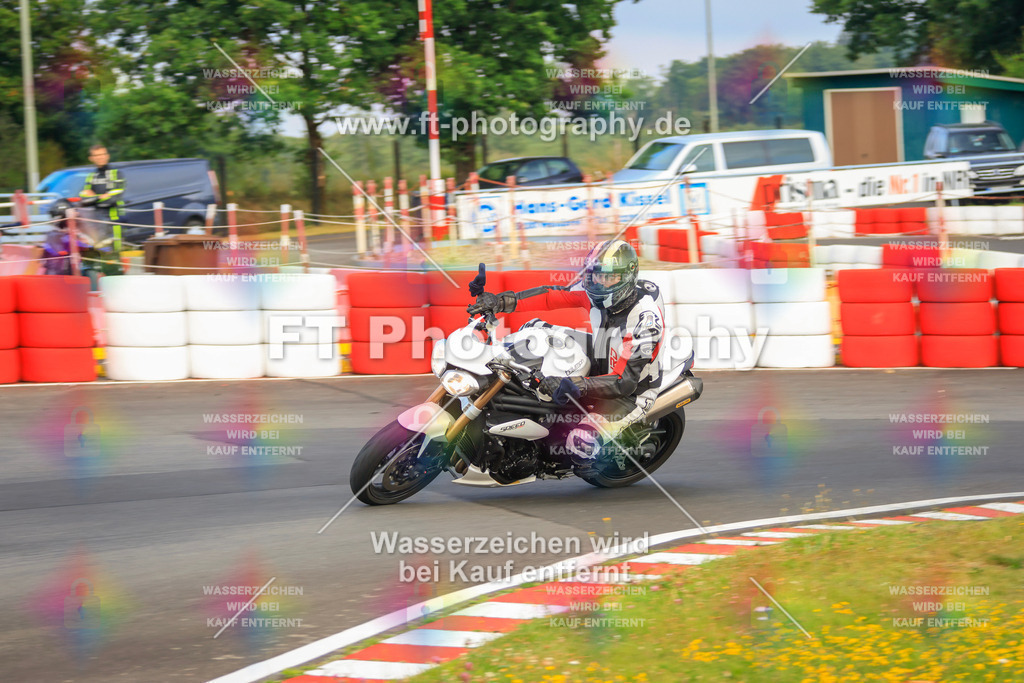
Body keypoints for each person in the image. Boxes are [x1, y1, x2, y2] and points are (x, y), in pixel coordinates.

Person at [468, 239, 666, 465]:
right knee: (534, 329)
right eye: (596, 276)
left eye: (609, 278)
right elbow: (550, 296)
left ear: (627, 278)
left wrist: (575, 384)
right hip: (602, 350)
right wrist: (500, 302)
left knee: (579, 444)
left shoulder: (644, 321)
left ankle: (596, 459)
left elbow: (625, 382)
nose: (600, 284)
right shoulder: (592, 291)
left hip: (630, 393)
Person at [79, 145, 126, 257]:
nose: (100, 157)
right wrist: (103, 196)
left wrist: (95, 197)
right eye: (96, 155)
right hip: (95, 221)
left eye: (102, 154)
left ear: (107, 156)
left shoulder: (116, 173)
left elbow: (114, 197)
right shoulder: (91, 176)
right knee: (98, 253)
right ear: (91, 158)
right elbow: (84, 198)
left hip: (113, 220)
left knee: (114, 253)